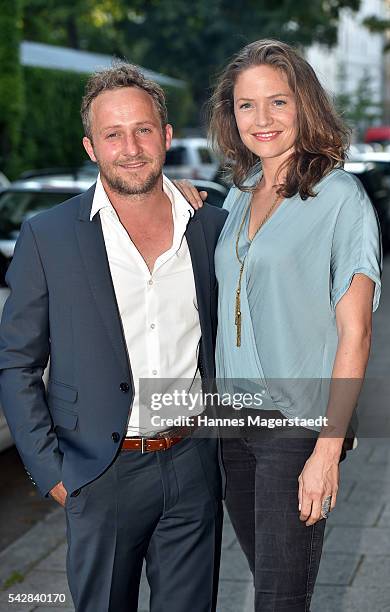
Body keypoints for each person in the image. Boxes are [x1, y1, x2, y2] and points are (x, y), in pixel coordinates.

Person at [0, 63, 227, 612]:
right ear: (90, 145)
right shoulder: (48, 236)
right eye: (113, 134)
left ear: (167, 136)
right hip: (101, 473)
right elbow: (16, 362)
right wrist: (53, 473)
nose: (131, 147)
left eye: (143, 129)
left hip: (194, 463)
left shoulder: (210, 228)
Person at [175, 39, 382, 611]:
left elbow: (356, 334)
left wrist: (326, 449)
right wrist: (187, 202)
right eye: (246, 105)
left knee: (279, 597)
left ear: (304, 105)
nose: (261, 119)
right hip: (234, 422)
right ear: (230, 114)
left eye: (277, 102)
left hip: (297, 426)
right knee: (268, 575)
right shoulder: (242, 193)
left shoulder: (341, 197)